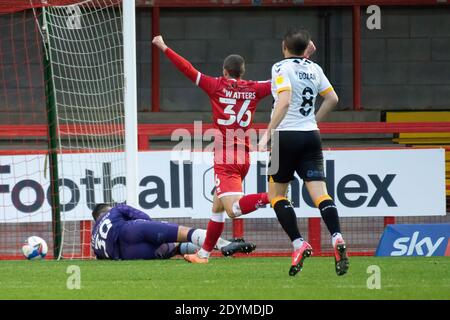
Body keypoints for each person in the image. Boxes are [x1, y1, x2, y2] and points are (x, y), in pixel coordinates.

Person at [152, 35, 275, 264]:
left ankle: (274, 197)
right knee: (217, 205)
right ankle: (204, 254)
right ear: (243, 71)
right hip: (244, 155)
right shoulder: (255, 88)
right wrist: (304, 58)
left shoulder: (215, 85)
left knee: (233, 209)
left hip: (225, 156)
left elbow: (187, 69)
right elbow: (280, 81)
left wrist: (164, 47)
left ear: (224, 71)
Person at [258, 27, 349, 277]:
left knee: (276, 194)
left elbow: (285, 101)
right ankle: (337, 236)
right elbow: (332, 99)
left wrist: (267, 133)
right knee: (321, 194)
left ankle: (298, 243)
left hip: (285, 138)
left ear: (283, 47)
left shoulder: (280, 67)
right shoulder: (314, 68)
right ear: (305, 47)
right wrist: (314, 120)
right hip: (311, 135)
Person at [90, 203, 256, 260]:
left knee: (175, 247)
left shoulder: (93, 239)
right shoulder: (115, 210)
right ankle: (225, 244)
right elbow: (144, 217)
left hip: (128, 255)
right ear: (107, 208)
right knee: (186, 233)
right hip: (132, 230)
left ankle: (222, 247)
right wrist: (154, 231)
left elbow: (102, 258)